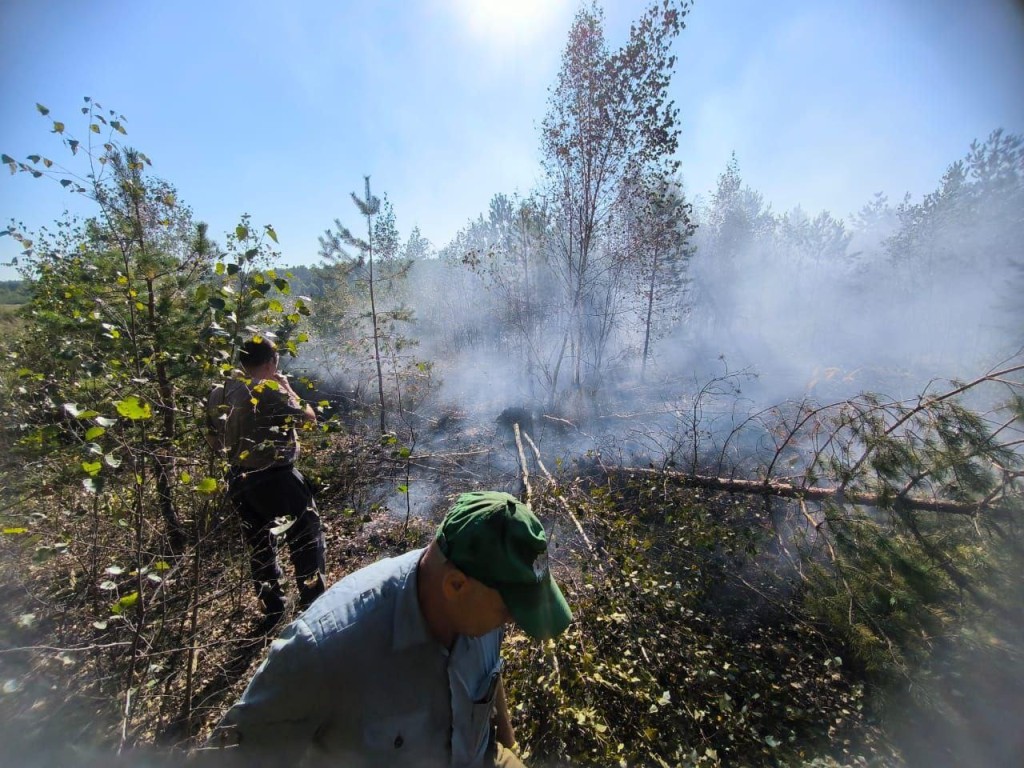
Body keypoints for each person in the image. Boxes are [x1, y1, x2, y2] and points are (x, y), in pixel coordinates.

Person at [205, 491, 573, 768]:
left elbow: (488, 698)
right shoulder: (323, 650)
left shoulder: (480, 600)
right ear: (455, 585)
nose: (512, 622)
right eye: (509, 608)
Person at [206, 337, 327, 622]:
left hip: (237, 479)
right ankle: (314, 606)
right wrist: (286, 387)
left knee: (260, 545)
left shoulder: (219, 392)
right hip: (277, 480)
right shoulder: (270, 389)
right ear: (272, 362)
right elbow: (308, 418)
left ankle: (272, 609)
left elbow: (213, 439)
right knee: (307, 538)